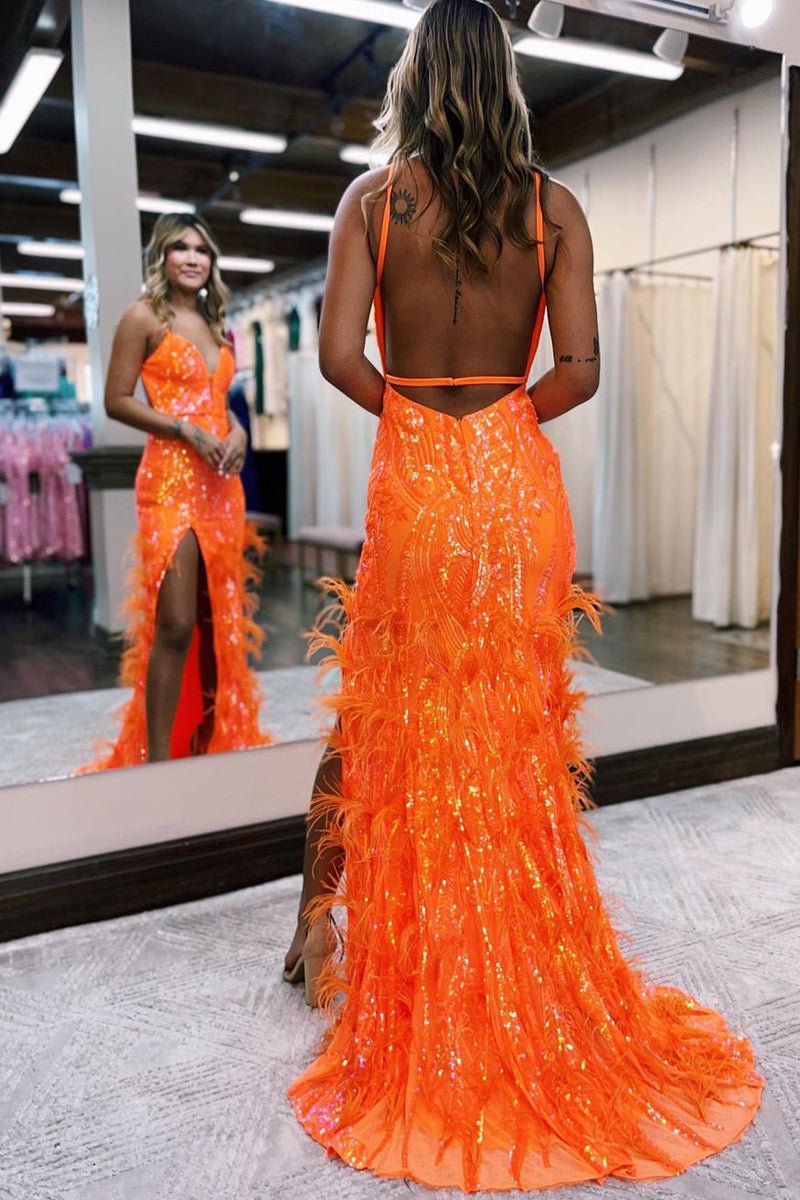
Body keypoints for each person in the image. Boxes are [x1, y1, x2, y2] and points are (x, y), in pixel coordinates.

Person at [285, 0, 762, 1190]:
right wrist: (497, 424)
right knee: (508, 718)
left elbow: (339, 357)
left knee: (381, 708)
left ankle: (312, 928)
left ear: (411, 79)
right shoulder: (554, 209)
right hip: (513, 487)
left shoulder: (370, 203)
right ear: (501, 80)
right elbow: (580, 370)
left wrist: (420, 422)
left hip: (416, 487)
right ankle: (511, 940)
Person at [80, 214, 271, 769]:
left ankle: (209, 745)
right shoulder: (143, 317)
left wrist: (238, 432)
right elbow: (116, 399)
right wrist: (183, 429)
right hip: (169, 482)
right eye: (180, 248)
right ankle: (159, 763)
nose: (192, 258)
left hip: (221, 486)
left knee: (217, 621)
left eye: (202, 250)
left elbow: (221, 403)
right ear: (161, 257)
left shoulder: (217, 326)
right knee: (176, 621)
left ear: (212, 262)